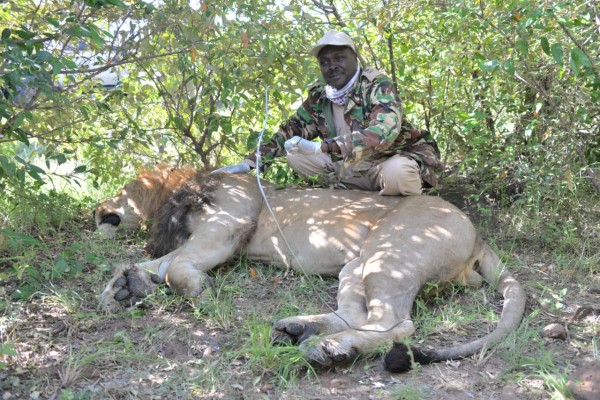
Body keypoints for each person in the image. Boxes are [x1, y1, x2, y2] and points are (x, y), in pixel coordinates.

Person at [215, 30, 443, 195]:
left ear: (355, 58)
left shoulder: (376, 85)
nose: (332, 66)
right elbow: (288, 131)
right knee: (296, 154)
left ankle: (403, 201)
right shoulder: (320, 96)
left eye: (339, 58)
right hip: (350, 168)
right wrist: (249, 163)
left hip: (385, 163)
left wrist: (322, 146)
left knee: (399, 172)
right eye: (324, 62)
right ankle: (348, 192)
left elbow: (383, 133)